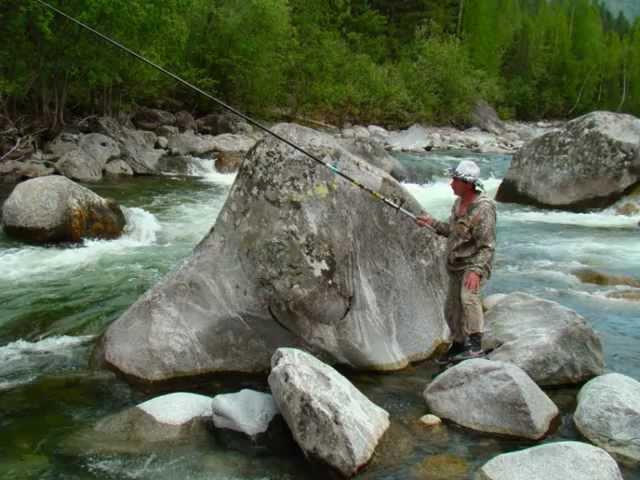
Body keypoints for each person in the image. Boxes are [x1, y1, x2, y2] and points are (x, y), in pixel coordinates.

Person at [416, 160, 496, 362]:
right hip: (455, 266)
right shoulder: (458, 204)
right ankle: (458, 345)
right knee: (451, 309)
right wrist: (430, 223)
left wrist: (476, 270)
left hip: (474, 264)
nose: (451, 183)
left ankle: (475, 346)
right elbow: (451, 232)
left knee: (469, 299)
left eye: (455, 180)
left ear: (468, 184)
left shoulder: (484, 209)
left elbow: (487, 245)